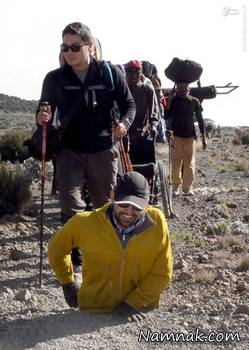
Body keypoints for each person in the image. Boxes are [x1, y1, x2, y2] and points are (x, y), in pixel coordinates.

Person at [36, 22, 136, 221]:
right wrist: (41, 117)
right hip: (69, 152)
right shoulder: (55, 78)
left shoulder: (109, 73)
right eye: (64, 47)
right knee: (70, 209)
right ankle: (76, 252)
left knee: (105, 209)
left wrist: (124, 124)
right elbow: (42, 110)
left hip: (103, 151)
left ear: (90, 45)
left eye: (75, 47)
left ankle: (103, 251)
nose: (69, 52)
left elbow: (129, 105)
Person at [48, 171, 173, 321]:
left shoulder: (157, 222)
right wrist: (67, 283)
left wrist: (133, 303)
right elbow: (56, 249)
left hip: (142, 311)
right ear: (113, 196)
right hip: (93, 312)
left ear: (148, 203)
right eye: (123, 204)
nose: (129, 211)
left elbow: (163, 272)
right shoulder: (84, 223)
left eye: (137, 207)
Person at [166, 82, 207, 196]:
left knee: (189, 164)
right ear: (177, 88)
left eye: (185, 86)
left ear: (189, 88)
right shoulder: (173, 100)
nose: (183, 88)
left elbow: (200, 120)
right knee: (176, 163)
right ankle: (175, 187)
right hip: (176, 136)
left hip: (190, 137)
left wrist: (204, 138)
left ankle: (187, 188)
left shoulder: (195, 101)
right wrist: (168, 102)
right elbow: (167, 115)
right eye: (180, 86)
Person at [124, 60, 159, 165]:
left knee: (145, 167)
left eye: (137, 73)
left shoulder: (147, 89)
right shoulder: (122, 89)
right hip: (125, 136)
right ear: (126, 73)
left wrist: (153, 126)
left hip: (143, 135)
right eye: (131, 73)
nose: (134, 75)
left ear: (140, 73)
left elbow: (153, 111)